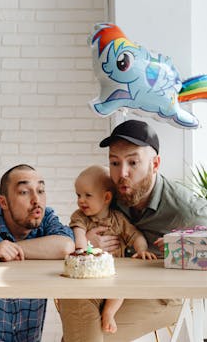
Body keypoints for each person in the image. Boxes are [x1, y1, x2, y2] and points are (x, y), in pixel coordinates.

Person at [59, 119, 207, 342]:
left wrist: (183, 248)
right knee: (72, 297)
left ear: (155, 164)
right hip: (110, 283)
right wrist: (88, 242)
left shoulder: (184, 209)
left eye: (133, 163)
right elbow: (78, 224)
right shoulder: (110, 194)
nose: (122, 173)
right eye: (115, 163)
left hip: (159, 293)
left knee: (93, 334)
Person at [0, 164, 75, 342]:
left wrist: (7, 248)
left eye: (41, 190)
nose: (36, 199)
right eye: (24, 192)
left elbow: (66, 246)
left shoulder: (46, 220)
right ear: (3, 202)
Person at [69, 164, 156, 333]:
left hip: (114, 272)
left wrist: (142, 249)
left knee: (123, 285)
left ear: (107, 197)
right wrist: (84, 246)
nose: (81, 200)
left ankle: (109, 312)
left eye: (87, 195)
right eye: (78, 195)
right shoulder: (80, 217)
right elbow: (78, 238)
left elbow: (135, 235)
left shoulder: (118, 219)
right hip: (90, 271)